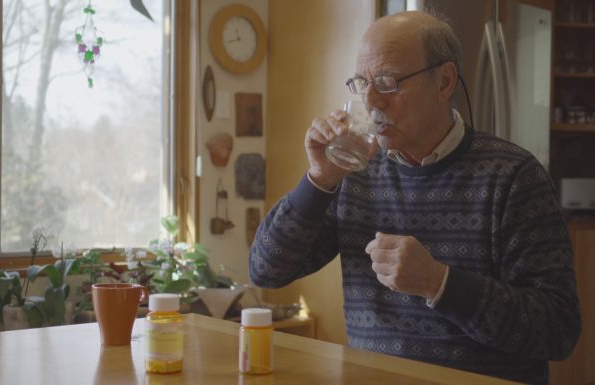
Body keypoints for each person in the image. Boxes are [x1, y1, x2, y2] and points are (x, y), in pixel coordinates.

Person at [249, 10, 581, 385]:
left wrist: (440, 283)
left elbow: (558, 329)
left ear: (443, 82)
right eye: (361, 83)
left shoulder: (514, 176)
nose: (372, 100)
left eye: (388, 82)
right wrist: (318, 181)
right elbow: (266, 270)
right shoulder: (354, 171)